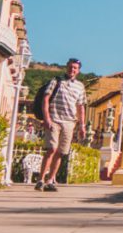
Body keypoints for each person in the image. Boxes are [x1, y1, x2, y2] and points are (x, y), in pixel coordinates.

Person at [37, 58, 87, 192]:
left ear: (78, 70)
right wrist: (46, 117)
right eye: (71, 67)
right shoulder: (56, 81)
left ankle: (50, 181)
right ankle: (40, 180)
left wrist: (82, 125)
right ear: (67, 67)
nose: (72, 70)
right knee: (52, 148)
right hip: (54, 119)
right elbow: (45, 99)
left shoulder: (80, 86)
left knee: (60, 152)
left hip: (70, 122)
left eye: (75, 68)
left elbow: (81, 107)